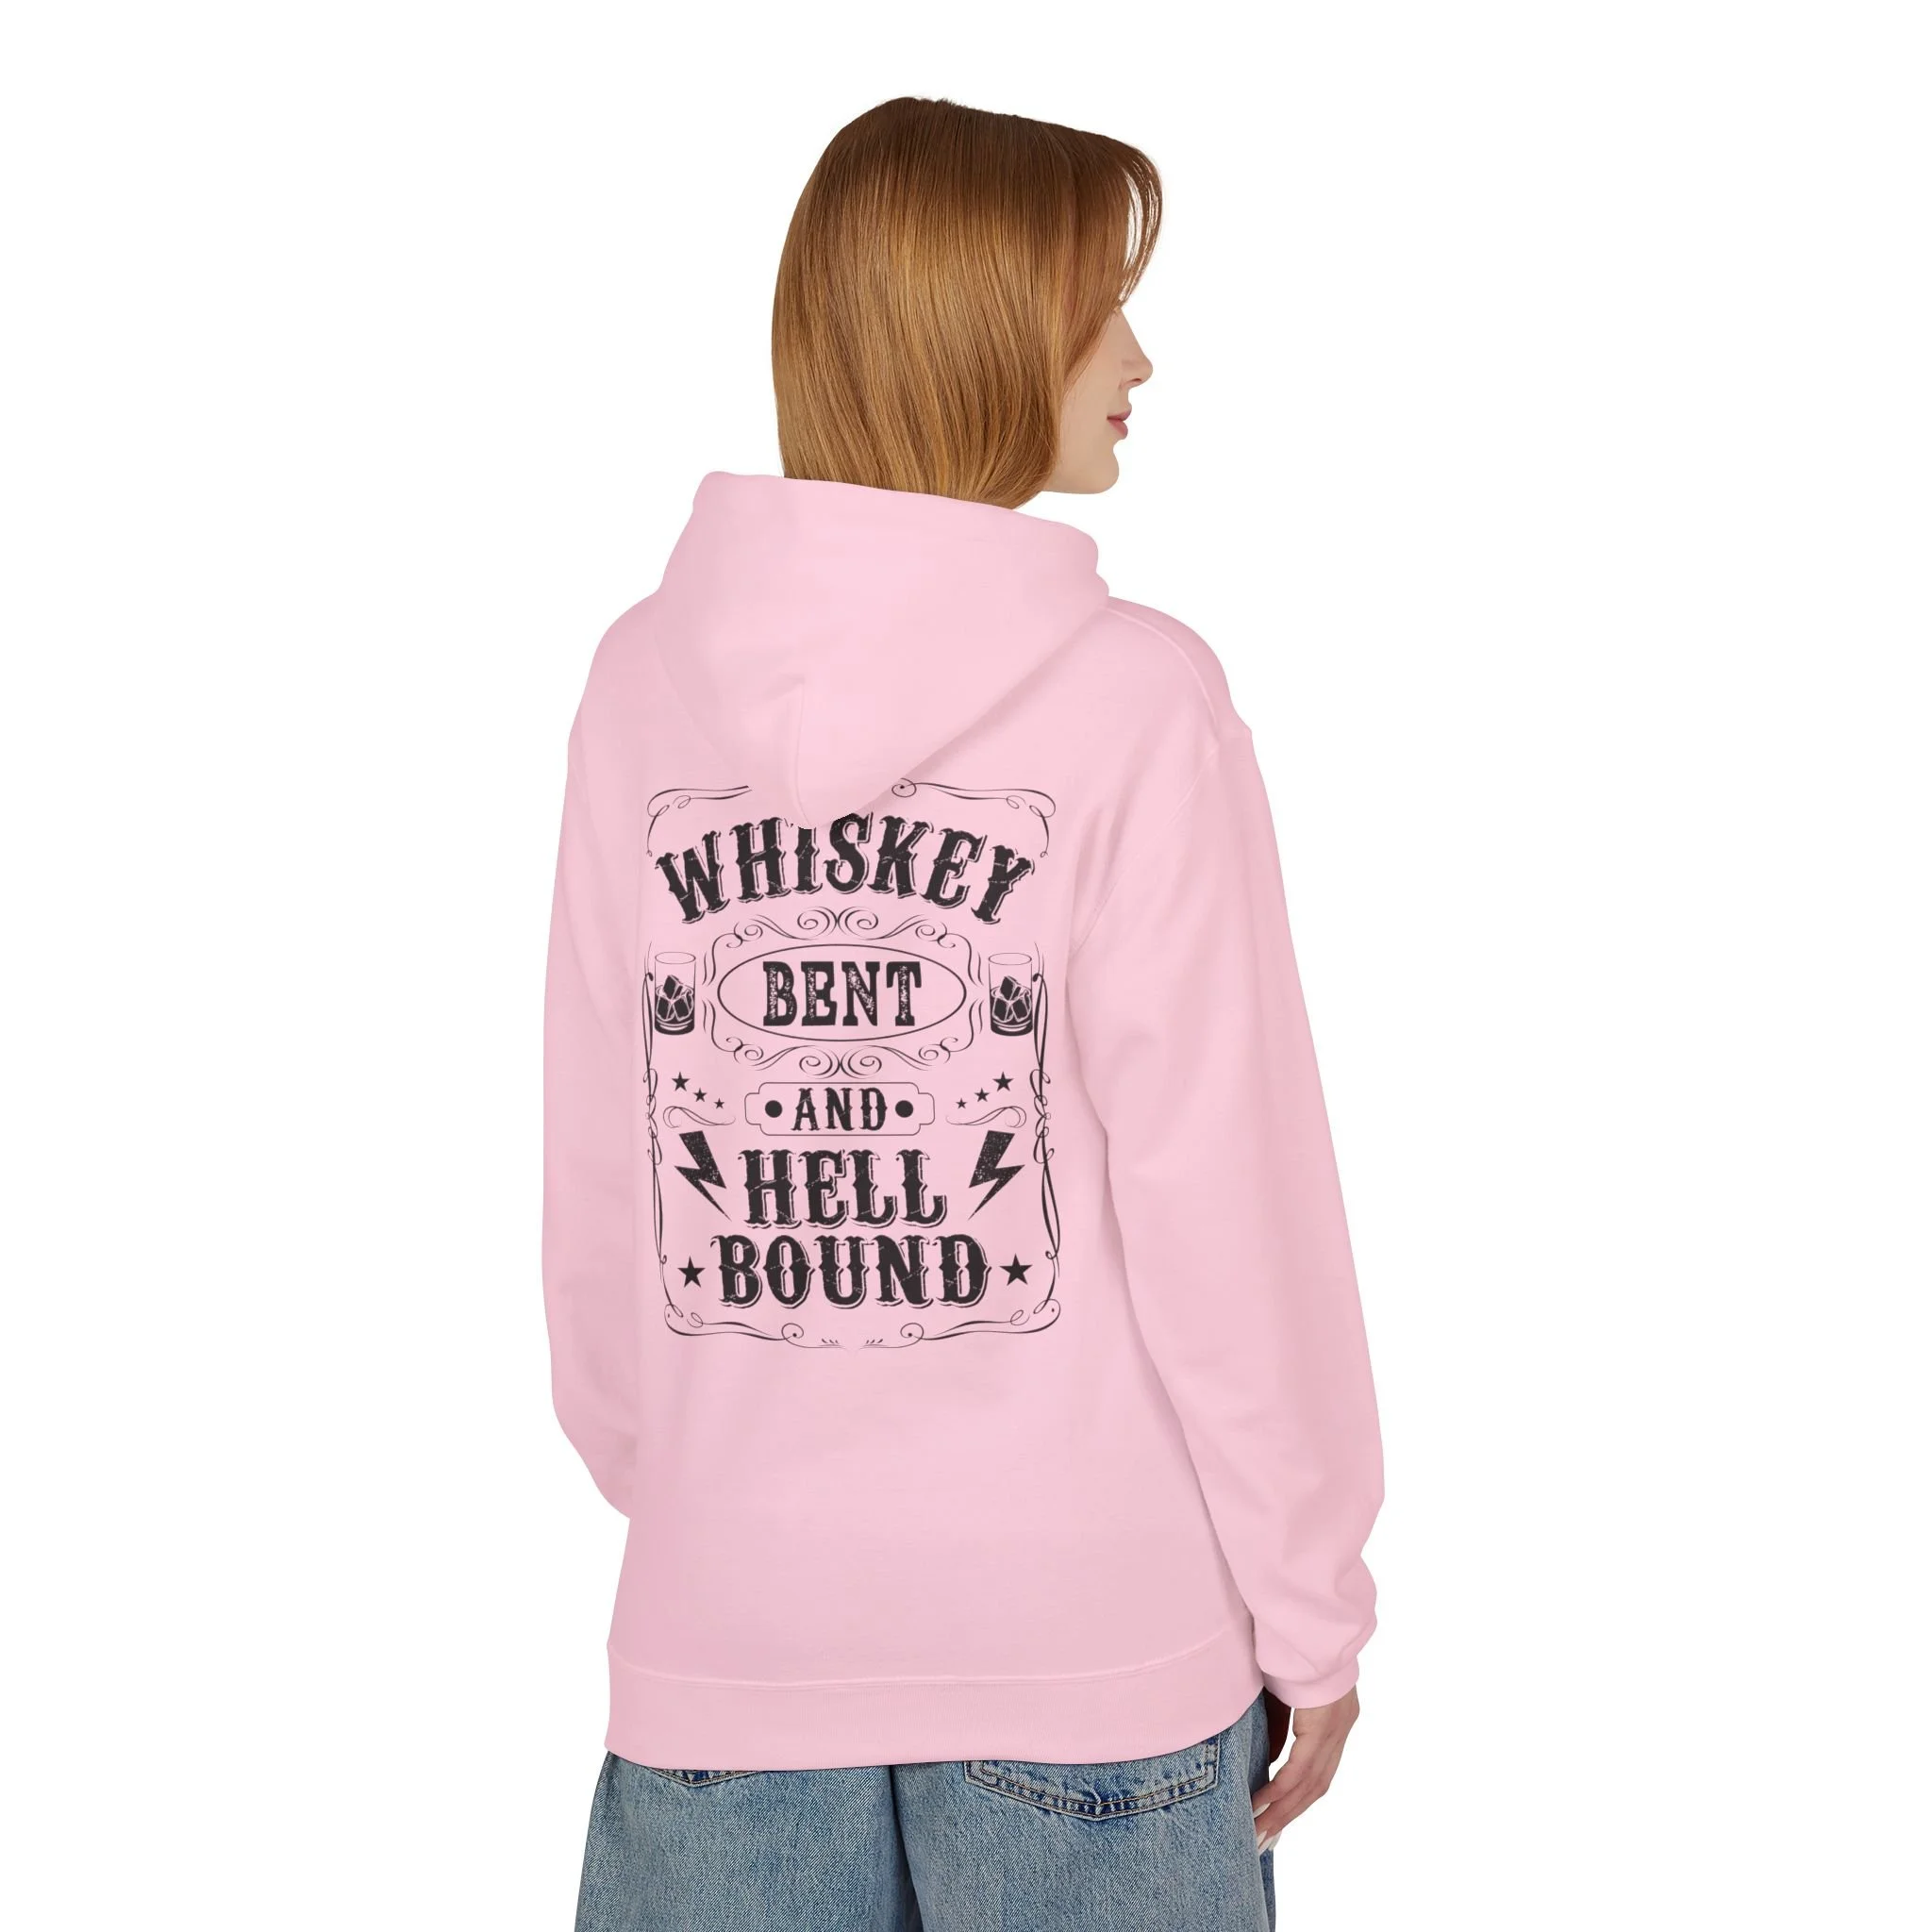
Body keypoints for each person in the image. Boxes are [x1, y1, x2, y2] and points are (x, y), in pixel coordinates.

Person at [544, 95, 1383, 1932]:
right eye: (1099, 306)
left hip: (727, 1639)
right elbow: (1226, 1204)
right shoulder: (1136, 700)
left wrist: (723, 1498)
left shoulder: (639, 680)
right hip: (1090, 1651)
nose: (1138, 357)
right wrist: (1310, 1600)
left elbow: (607, 1173)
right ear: (986, 330)